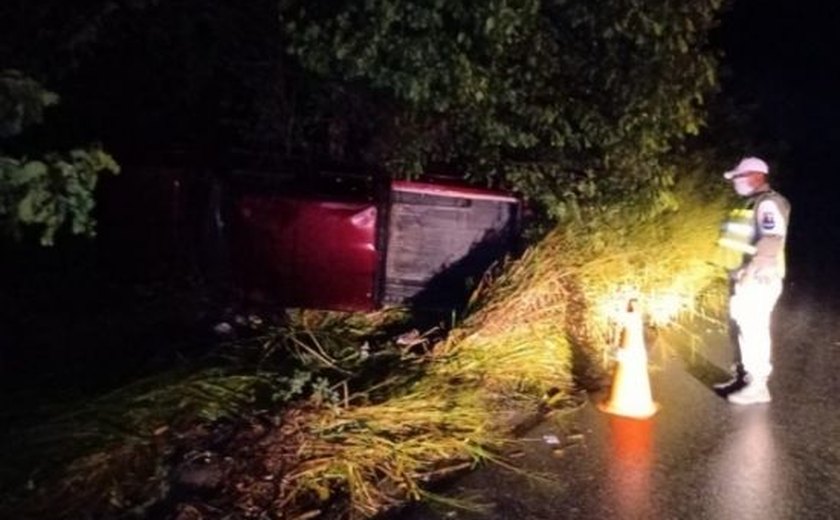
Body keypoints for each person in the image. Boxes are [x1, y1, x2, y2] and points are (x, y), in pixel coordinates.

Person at [714, 157, 790, 405]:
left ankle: (758, 386)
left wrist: (750, 272)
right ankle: (746, 379)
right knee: (743, 328)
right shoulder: (751, 203)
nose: (735, 182)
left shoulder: (768, 203)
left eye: (738, 177)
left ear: (756, 176)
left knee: (754, 329)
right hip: (746, 276)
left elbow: (771, 238)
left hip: (758, 278)